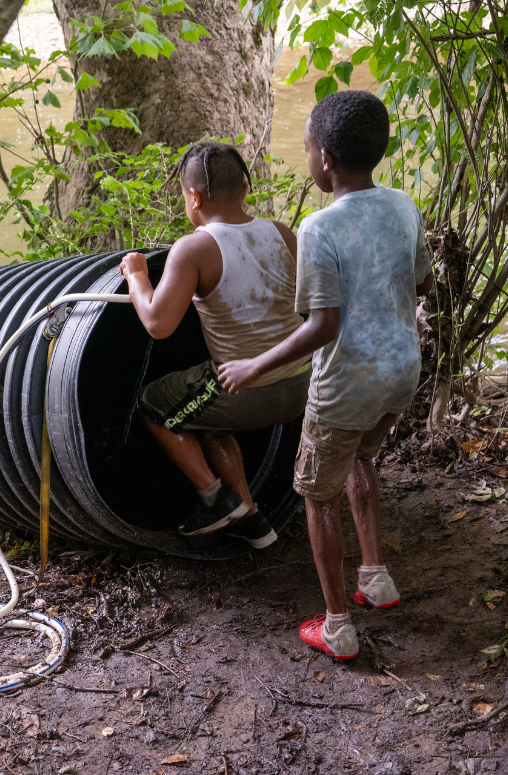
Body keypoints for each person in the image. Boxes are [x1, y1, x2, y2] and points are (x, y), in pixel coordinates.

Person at [218, 91, 434, 661]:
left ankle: (337, 626)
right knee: (362, 459)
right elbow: (422, 286)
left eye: (308, 146)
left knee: (317, 494)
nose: (306, 155)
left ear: (327, 159)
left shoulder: (320, 225)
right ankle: (376, 578)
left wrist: (254, 365)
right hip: (400, 374)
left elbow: (321, 326)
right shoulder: (404, 206)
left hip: (347, 384)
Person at [120, 140, 312, 550]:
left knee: (155, 403)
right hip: (300, 385)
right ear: (245, 187)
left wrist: (137, 274)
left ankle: (215, 499)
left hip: (248, 391)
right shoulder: (281, 233)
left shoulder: (195, 247)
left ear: (194, 198)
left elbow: (157, 323)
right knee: (204, 411)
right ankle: (253, 519)